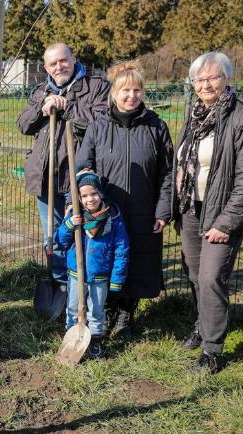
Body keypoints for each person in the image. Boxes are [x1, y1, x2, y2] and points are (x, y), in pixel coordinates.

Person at [173, 52, 243, 373]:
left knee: (212, 277)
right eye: (199, 79)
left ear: (227, 79)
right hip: (192, 208)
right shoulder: (196, 114)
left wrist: (226, 223)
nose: (205, 84)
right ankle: (203, 326)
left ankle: (212, 351)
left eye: (213, 77)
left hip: (222, 213)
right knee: (194, 274)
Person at [76, 60, 174, 337]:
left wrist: (163, 211)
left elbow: (168, 173)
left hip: (144, 208)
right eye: (125, 91)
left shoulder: (156, 127)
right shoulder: (98, 127)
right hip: (108, 211)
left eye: (137, 90)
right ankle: (107, 310)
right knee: (107, 258)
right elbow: (84, 166)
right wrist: (88, 200)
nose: (132, 96)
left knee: (138, 260)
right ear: (114, 93)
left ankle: (127, 314)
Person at [16, 43, 110, 294]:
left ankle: (86, 287)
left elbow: (101, 124)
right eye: (53, 63)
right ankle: (60, 287)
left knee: (87, 234)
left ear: (73, 58)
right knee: (56, 237)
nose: (59, 67)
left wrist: (68, 107)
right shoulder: (40, 91)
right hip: (46, 179)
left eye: (63, 60)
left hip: (79, 179)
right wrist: (42, 107)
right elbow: (23, 125)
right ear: (46, 68)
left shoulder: (97, 87)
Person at [54, 171, 129, 359]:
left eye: (93, 194)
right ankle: (72, 337)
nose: (90, 199)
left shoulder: (113, 217)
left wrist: (116, 279)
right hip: (76, 274)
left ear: (101, 193)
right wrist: (69, 225)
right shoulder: (74, 215)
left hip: (100, 275)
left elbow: (122, 249)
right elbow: (60, 241)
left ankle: (95, 340)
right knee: (73, 307)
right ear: (78, 198)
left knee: (96, 310)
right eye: (84, 196)